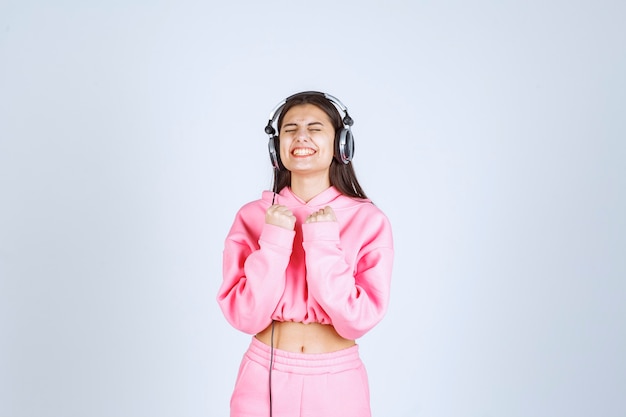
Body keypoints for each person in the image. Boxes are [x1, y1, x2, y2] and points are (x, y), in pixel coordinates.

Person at [217, 91, 394, 417]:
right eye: (290, 129)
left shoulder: (369, 221)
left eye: (315, 128)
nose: (301, 137)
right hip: (262, 381)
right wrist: (274, 242)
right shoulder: (253, 216)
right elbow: (245, 317)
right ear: (276, 146)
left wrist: (323, 243)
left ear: (342, 144)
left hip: (337, 385)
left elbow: (356, 321)